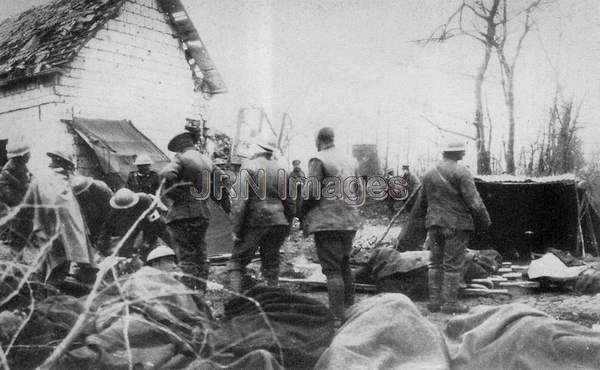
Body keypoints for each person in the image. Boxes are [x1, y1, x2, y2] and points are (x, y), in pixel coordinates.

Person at [300, 127, 362, 328]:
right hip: (349, 220)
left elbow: (311, 192)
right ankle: (351, 310)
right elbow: (359, 190)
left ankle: (336, 317)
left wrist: (301, 213)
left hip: (327, 222)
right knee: (344, 265)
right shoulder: (350, 160)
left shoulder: (318, 159)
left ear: (318, 140)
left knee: (332, 270)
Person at [421, 138, 491, 314]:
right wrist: (485, 221)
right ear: (457, 152)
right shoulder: (462, 172)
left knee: (434, 263)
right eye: (462, 150)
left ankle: (434, 302)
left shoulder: (428, 172)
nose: (464, 152)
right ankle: (451, 303)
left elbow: (423, 202)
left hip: (434, 224)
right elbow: (474, 201)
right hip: (456, 224)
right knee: (453, 264)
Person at [160, 132, 230, 292]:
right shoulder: (207, 160)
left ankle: (189, 294)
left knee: (186, 256)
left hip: (182, 214)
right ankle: (201, 291)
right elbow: (223, 179)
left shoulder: (181, 158)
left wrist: (175, 195)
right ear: (193, 143)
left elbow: (165, 174)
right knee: (201, 253)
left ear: (179, 147)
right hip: (202, 213)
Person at [227, 137, 295, 293]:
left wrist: (236, 229)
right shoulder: (282, 169)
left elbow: (240, 201)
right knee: (271, 264)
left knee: (236, 263)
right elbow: (291, 202)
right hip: (279, 222)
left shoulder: (249, 166)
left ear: (256, 149)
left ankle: (237, 303)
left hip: (256, 221)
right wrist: (287, 225)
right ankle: (273, 302)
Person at [98, 188, 170, 259]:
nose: (126, 209)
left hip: (149, 220)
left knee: (149, 246)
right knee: (125, 250)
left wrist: (147, 242)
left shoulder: (144, 200)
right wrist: (103, 244)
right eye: (123, 209)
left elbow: (155, 223)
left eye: (129, 207)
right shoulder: (115, 209)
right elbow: (107, 227)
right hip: (131, 222)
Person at [0, 140, 32, 247]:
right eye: (28, 153)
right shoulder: (10, 168)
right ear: (21, 156)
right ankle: (14, 242)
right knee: (19, 217)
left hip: (14, 194)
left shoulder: (20, 165)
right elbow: (22, 185)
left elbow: (28, 177)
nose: (29, 155)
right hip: (8, 194)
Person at [70, 175, 113, 246]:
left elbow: (110, 208)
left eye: (83, 193)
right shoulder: (76, 196)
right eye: (80, 195)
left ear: (87, 189)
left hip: (104, 211)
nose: (82, 196)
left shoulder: (101, 188)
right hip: (92, 217)